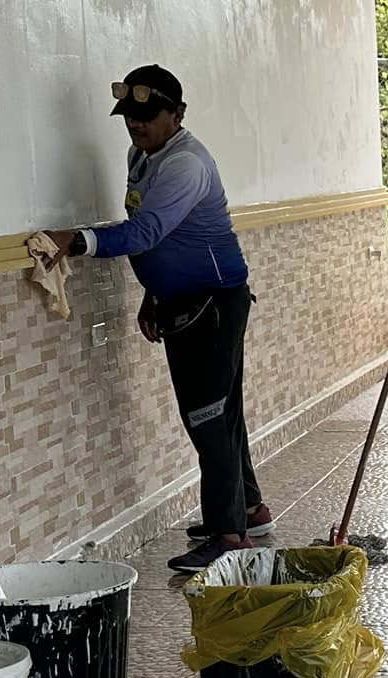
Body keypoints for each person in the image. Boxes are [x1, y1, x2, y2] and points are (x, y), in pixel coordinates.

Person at [32, 65, 266, 576]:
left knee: (207, 416)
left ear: (177, 114)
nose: (136, 124)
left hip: (210, 303)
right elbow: (158, 238)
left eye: (149, 115)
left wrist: (77, 240)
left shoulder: (185, 164)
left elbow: (145, 232)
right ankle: (248, 508)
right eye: (129, 116)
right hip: (187, 300)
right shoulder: (142, 156)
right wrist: (153, 293)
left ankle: (229, 535)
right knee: (222, 411)